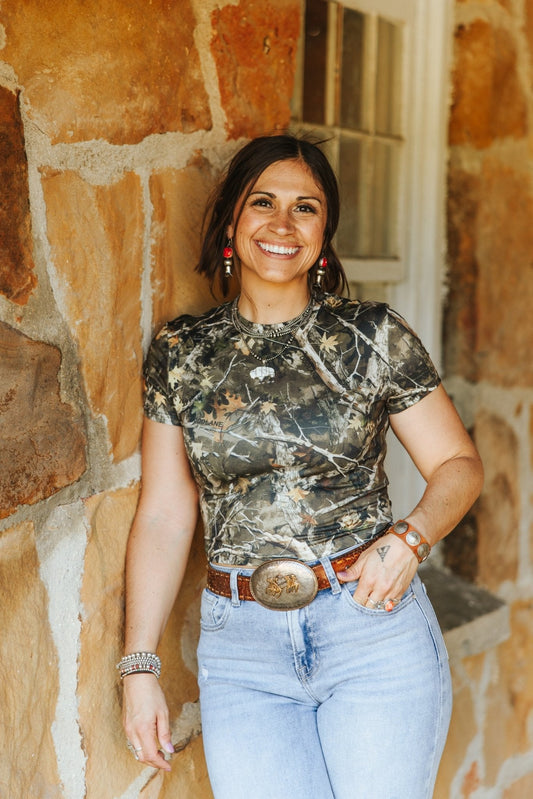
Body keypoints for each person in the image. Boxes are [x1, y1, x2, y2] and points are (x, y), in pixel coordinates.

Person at [119, 134, 483, 799]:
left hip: (369, 628)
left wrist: (410, 538)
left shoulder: (371, 336)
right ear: (232, 220)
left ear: (324, 233)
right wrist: (139, 665)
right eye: (263, 202)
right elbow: (165, 515)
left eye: (304, 208)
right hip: (242, 650)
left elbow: (458, 463)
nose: (282, 224)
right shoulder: (181, 352)